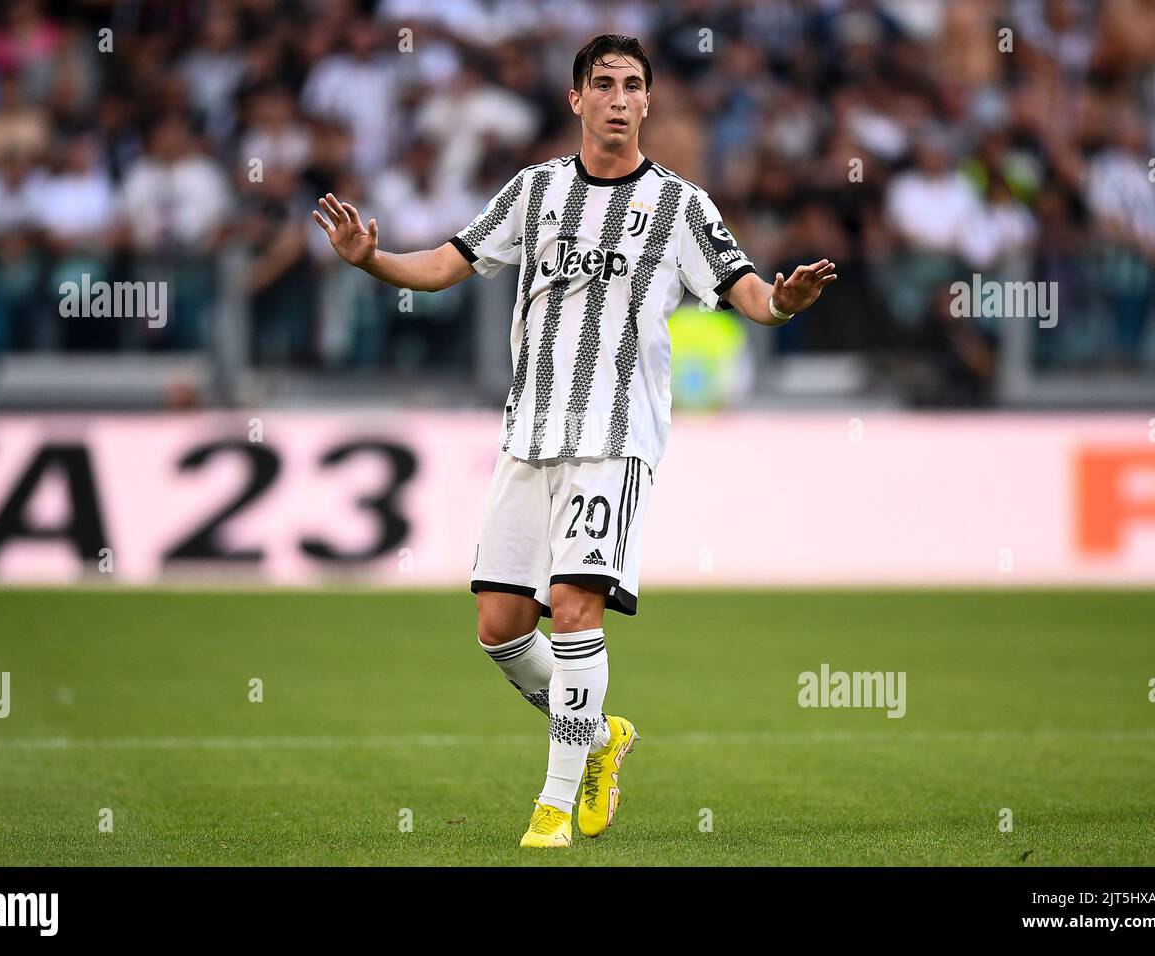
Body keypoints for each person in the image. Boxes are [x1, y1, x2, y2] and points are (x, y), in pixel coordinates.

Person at [311, 34, 836, 848]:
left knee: (572, 605)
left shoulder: (683, 206)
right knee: (498, 627)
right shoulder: (535, 190)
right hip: (528, 433)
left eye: (633, 85)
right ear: (576, 100)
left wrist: (788, 301)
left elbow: (751, 296)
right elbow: (449, 265)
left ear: (648, 102)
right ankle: (598, 735)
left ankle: (554, 805)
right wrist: (370, 258)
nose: (620, 98)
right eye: (604, 84)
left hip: (615, 436)